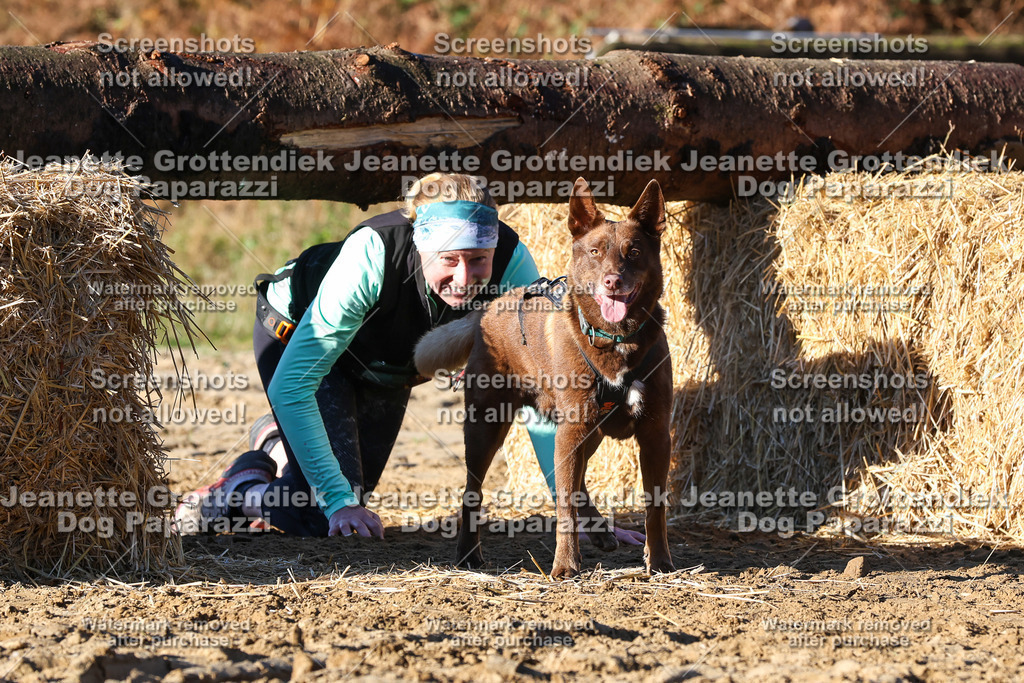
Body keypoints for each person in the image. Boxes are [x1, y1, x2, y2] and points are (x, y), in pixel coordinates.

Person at [174, 173, 643, 545]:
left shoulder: (513, 262)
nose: (466, 277)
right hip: (302, 345)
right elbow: (292, 384)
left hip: (384, 366)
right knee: (323, 514)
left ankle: (276, 441)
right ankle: (237, 492)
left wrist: (577, 512)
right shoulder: (374, 255)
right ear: (422, 246)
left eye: (478, 259)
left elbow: (543, 394)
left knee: (340, 490)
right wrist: (339, 502)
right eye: (450, 260)